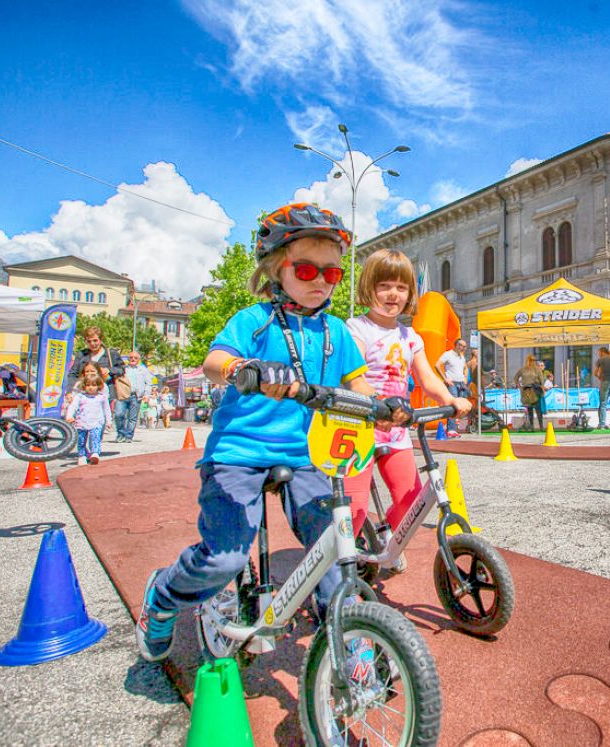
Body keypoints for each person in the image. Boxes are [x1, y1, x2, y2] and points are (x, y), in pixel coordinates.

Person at [135, 202, 410, 664]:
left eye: (333, 274)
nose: (321, 281)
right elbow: (214, 362)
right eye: (306, 269)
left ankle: (344, 632)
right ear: (275, 269)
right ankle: (163, 598)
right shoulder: (253, 320)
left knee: (335, 544)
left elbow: (357, 384)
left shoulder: (337, 331)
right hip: (239, 451)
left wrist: (383, 408)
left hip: (306, 456)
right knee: (224, 559)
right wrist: (249, 367)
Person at [343, 248, 472, 540]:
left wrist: (450, 399)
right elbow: (355, 377)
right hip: (358, 430)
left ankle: (383, 535)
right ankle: (341, 567)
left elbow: (427, 378)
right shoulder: (357, 328)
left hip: (395, 431)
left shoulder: (409, 336)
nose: (393, 294)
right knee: (353, 509)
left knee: (411, 500)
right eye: (384, 286)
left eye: (401, 288)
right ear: (369, 288)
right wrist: (376, 404)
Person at [66, 363, 112, 465]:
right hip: (81, 422)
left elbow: (107, 409)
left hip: (97, 422)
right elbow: (73, 406)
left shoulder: (102, 397)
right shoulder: (80, 396)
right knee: (81, 440)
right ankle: (82, 455)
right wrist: (69, 416)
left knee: (95, 437)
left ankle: (95, 453)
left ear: (98, 386)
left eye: (94, 385)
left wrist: (109, 421)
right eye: (88, 385)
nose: (91, 387)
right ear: (84, 386)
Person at [67, 327, 125, 403]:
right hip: (84, 395)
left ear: (101, 340)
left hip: (106, 396)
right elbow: (73, 374)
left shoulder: (111, 354)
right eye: (89, 341)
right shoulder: (81, 355)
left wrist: (109, 370)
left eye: (95, 340)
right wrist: (69, 391)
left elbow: (122, 369)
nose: (92, 344)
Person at [435, 338, 469, 438]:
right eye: (463, 346)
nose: (465, 348)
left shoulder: (461, 357)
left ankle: (453, 427)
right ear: (457, 346)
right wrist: (445, 379)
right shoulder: (448, 354)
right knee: (454, 405)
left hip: (461, 383)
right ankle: (451, 429)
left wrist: (465, 378)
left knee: (462, 405)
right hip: (452, 383)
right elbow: (437, 365)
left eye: (465, 347)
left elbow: (465, 367)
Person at [117, 350, 152, 442]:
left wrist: (147, 395)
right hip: (123, 395)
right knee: (119, 414)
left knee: (132, 418)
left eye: (135, 358)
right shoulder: (123, 368)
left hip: (136, 396)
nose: (133, 359)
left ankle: (128, 436)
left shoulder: (143, 370)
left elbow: (149, 383)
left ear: (138, 359)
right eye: (131, 357)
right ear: (128, 359)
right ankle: (121, 434)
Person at [514, 354, 544, 430]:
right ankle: (531, 426)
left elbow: (542, 380)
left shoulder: (537, 369)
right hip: (526, 391)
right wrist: (519, 387)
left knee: (538, 410)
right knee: (530, 409)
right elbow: (515, 377)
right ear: (528, 360)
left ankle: (541, 426)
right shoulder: (523, 369)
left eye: (534, 360)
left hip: (535, 390)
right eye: (532, 360)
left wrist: (542, 389)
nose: (533, 362)